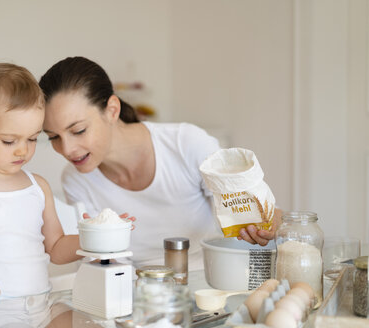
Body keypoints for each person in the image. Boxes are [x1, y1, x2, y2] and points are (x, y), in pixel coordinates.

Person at [39, 56, 280, 270]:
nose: (66, 149)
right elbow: (106, 261)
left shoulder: (185, 143)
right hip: (140, 296)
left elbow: (263, 213)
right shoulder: (75, 178)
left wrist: (264, 226)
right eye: (53, 137)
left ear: (112, 110)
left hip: (209, 284)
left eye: (78, 130)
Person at [0, 63, 81, 308]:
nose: (23, 150)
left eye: (32, 138)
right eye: (9, 141)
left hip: (41, 308)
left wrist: (94, 238)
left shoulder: (38, 186)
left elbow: (56, 248)